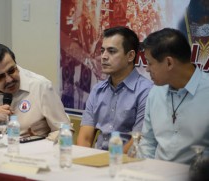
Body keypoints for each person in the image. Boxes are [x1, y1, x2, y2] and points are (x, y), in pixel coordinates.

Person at [0, 43, 70, 137]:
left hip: (32, 153)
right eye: (0, 77)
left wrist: (41, 148)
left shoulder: (41, 86)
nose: (9, 80)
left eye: (11, 70)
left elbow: (63, 130)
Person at [139, 28, 209, 164]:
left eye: (150, 63)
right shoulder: (155, 93)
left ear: (169, 63)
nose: (147, 69)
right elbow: (148, 142)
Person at [77, 26, 153, 151]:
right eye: (102, 51)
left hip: (127, 163)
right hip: (96, 160)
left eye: (111, 51)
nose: (104, 57)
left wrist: (110, 164)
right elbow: (84, 138)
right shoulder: (97, 90)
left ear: (130, 56)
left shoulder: (146, 91)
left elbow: (138, 140)